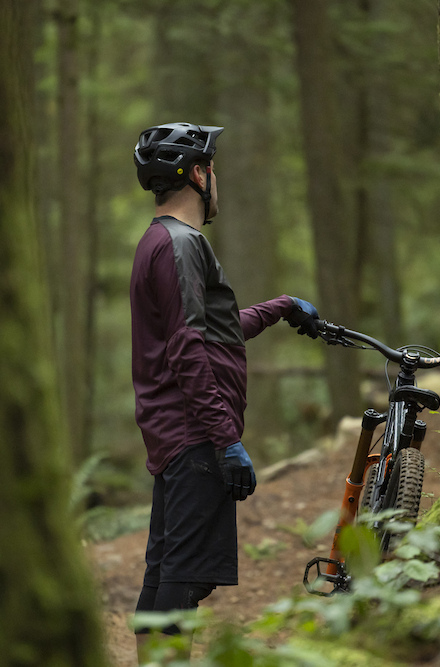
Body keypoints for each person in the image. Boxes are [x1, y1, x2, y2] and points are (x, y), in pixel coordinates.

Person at [129, 122, 319, 657]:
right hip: (194, 437)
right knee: (180, 583)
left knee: (167, 571)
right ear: (197, 174)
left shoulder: (160, 242)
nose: (218, 180)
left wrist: (281, 307)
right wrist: (224, 437)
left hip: (177, 434)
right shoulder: (181, 245)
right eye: (213, 169)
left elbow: (213, 329)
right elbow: (187, 348)